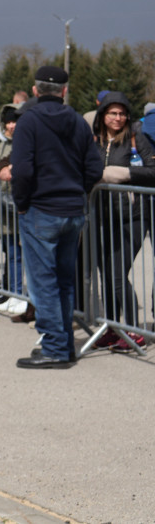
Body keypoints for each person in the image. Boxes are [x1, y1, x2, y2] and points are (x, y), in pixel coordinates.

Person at [10, 66, 104, 369]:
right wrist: (78, 192)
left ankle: (55, 347)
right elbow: (94, 169)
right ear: (64, 90)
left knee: (44, 283)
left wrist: (22, 203)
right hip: (72, 209)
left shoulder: (29, 121)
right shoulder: (78, 122)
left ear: (36, 90)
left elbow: (21, 170)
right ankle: (62, 345)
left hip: (41, 209)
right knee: (63, 281)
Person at [89, 91, 154, 351]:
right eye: (113, 113)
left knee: (117, 274)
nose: (118, 117)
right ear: (102, 115)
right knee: (106, 275)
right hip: (103, 218)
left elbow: (153, 172)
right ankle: (111, 327)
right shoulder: (94, 142)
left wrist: (123, 173)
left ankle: (133, 330)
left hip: (132, 219)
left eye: (122, 113)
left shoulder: (139, 139)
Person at [0, 105, 30, 319]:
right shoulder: (3, 143)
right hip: (1, 208)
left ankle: (18, 294)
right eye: (8, 121)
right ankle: (12, 292)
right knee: (10, 253)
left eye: (15, 121)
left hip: (15, 206)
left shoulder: (21, 143)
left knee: (17, 254)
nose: (11, 125)